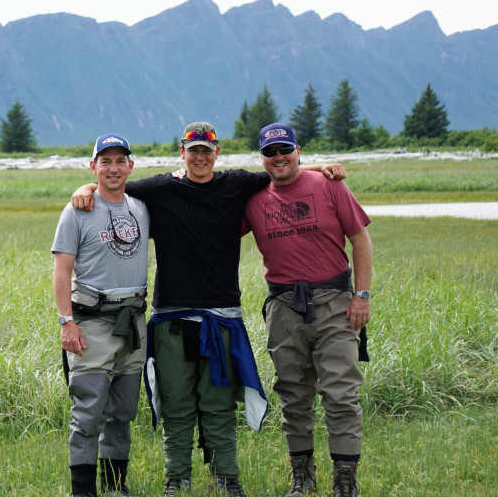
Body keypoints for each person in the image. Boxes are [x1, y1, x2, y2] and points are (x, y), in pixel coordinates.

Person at [71, 122, 346, 497]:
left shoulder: (235, 183)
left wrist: (322, 169)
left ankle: (228, 478)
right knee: (176, 404)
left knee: (219, 405)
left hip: (222, 316)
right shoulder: (158, 188)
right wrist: (84, 187)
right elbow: (111, 185)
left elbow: (281, 169)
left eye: (207, 151)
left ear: (217, 154)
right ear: (181, 153)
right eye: (193, 150)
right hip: (171, 315)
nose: (200, 157)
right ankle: (176, 479)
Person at [242, 123, 372, 497]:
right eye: (270, 152)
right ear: (262, 158)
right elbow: (209, 208)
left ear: (298, 150)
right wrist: (89, 188)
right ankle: (302, 478)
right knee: (293, 394)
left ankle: (344, 480)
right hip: (283, 306)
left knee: (341, 393)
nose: (278, 157)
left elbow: (360, 236)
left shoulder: (330, 186)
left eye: (285, 149)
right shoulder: (253, 199)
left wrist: (361, 295)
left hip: (335, 302)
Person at [52, 133, 151, 497]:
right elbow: (62, 270)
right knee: (89, 411)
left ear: (130, 165)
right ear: (93, 166)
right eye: (104, 161)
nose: (113, 167)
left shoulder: (141, 206)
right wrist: (67, 323)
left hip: (134, 324)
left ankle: (114, 487)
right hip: (92, 323)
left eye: (119, 160)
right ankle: (83, 492)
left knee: (122, 413)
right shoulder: (76, 210)